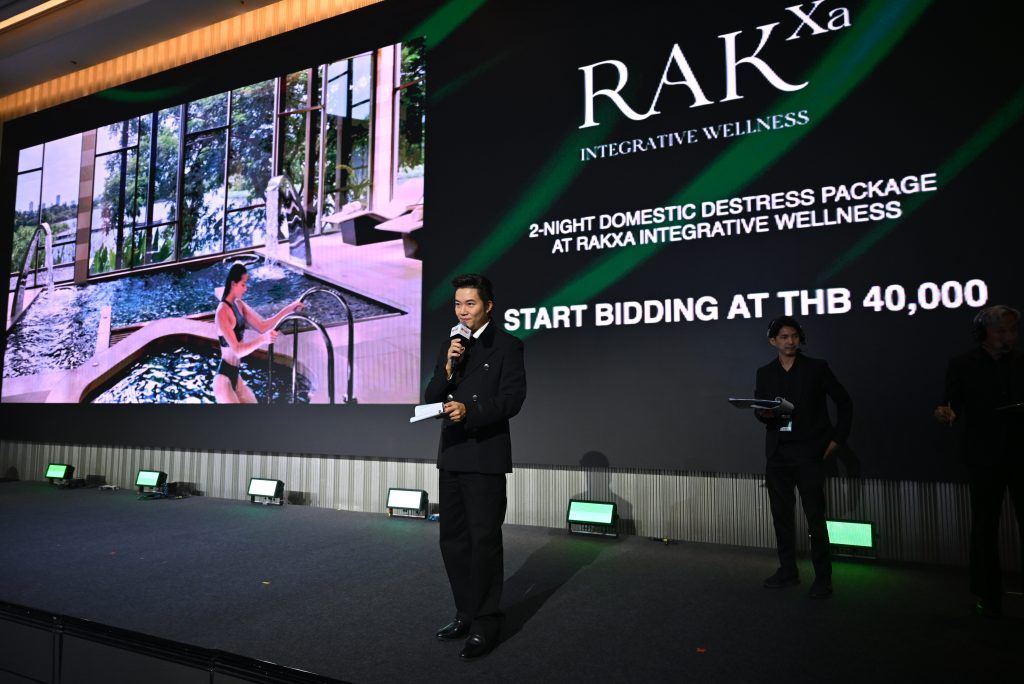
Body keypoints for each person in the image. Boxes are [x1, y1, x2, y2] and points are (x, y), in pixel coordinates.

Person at [425, 273, 526, 660]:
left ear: (488, 306)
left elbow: (512, 400)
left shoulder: (508, 346)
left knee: (483, 541)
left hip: (485, 455)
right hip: (452, 454)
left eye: (470, 303)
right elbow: (432, 395)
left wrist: (470, 410)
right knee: (452, 541)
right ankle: (464, 613)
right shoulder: (451, 346)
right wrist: (449, 369)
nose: (462, 311)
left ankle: (486, 622)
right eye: (457, 304)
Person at [934, 305, 1023, 618]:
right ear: (984, 332)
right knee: (985, 527)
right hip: (984, 455)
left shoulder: (1021, 361)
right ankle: (988, 596)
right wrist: (945, 412)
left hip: (1021, 452)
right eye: (1001, 330)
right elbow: (950, 404)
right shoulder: (963, 364)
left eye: (1012, 330)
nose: (1008, 336)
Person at [754, 316, 852, 599]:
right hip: (778, 453)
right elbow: (760, 410)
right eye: (784, 337)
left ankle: (823, 578)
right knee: (781, 516)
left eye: (794, 336)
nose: (790, 341)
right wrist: (763, 413)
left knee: (815, 517)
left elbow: (845, 402)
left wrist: (837, 439)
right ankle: (787, 570)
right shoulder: (765, 372)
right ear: (773, 341)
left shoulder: (817, 368)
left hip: (809, 452)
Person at [213, 261, 303, 404]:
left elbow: (262, 326)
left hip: (236, 375)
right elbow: (237, 350)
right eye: (243, 284)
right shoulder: (222, 312)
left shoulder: (239, 305)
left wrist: (290, 308)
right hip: (224, 380)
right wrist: (262, 339)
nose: (246, 288)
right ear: (233, 284)